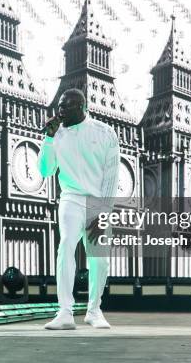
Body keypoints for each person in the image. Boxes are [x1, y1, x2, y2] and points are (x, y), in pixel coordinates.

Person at [38, 88, 120, 330]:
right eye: (60, 105)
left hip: (98, 201)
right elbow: (45, 170)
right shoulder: (57, 134)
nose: (60, 110)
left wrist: (103, 211)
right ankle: (65, 312)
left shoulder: (105, 133)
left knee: (100, 259)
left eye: (67, 106)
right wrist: (49, 138)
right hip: (71, 197)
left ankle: (94, 310)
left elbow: (111, 176)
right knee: (66, 248)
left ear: (83, 108)